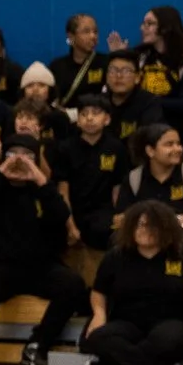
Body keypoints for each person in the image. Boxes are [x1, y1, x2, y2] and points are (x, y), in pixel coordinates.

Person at [0, 133, 86, 365]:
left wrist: (39, 179)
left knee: (73, 285)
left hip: (38, 266)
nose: (19, 160)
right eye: (12, 154)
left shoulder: (41, 189)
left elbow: (61, 215)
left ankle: (38, 344)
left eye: (27, 155)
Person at [82, 201, 183, 365]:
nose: (143, 230)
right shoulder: (116, 256)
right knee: (97, 338)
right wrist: (99, 314)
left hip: (171, 322)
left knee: (167, 341)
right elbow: (99, 291)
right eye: (138, 224)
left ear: (165, 228)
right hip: (127, 322)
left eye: (150, 225)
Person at [113, 124, 183, 264]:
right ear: (150, 151)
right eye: (169, 144)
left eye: (178, 144)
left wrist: (175, 220)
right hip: (143, 243)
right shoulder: (134, 178)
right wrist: (147, 224)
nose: (178, 149)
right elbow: (118, 219)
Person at [54, 93, 125, 249]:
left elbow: (117, 187)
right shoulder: (65, 148)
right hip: (73, 209)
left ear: (107, 119)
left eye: (96, 113)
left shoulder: (116, 147)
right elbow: (63, 190)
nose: (89, 118)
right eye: (84, 114)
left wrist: (118, 214)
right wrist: (70, 225)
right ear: (78, 121)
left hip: (103, 212)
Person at [137, 4, 183, 134]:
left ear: (165, 28)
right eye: (143, 23)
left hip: (177, 130)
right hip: (145, 129)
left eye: (149, 24)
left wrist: (148, 102)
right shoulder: (140, 57)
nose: (143, 28)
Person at [99, 50, 160, 148]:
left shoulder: (149, 102)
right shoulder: (99, 101)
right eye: (113, 71)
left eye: (126, 71)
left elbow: (150, 139)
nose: (118, 76)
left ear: (137, 78)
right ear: (106, 76)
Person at [46, 13, 107, 107]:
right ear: (71, 36)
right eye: (86, 31)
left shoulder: (105, 62)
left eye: (95, 31)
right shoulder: (57, 66)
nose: (93, 36)